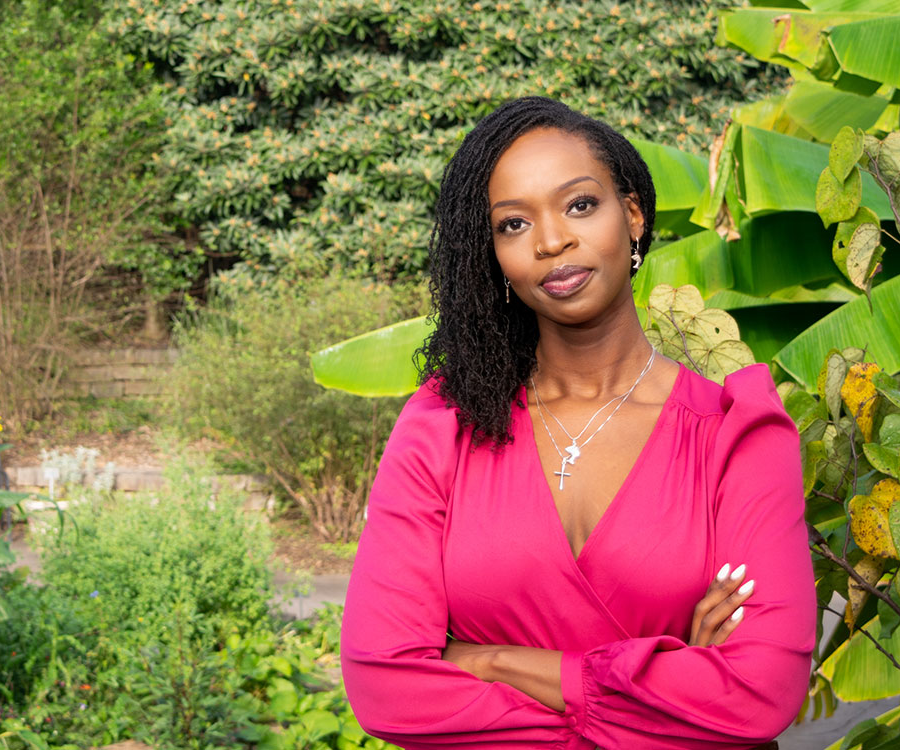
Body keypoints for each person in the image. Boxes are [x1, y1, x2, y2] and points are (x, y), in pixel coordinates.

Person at [339, 96, 816, 750]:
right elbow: (384, 689)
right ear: (494, 256)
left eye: (580, 205)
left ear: (634, 216)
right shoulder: (441, 427)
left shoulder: (735, 433)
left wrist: (489, 660)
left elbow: (761, 693)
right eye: (512, 224)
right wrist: (669, 680)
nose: (551, 240)